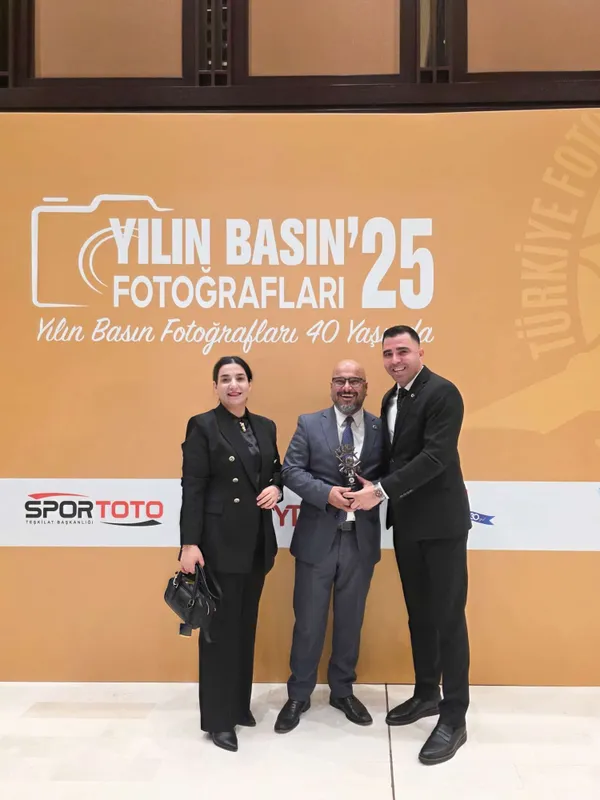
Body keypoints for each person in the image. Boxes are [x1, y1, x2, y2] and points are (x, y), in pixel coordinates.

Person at [349, 325, 471, 765]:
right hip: (407, 524)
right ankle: (426, 694)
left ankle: (454, 717)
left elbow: (436, 457)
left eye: (403, 351)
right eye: (388, 353)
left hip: (442, 525)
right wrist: (366, 481)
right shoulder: (390, 398)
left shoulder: (443, 393)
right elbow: (397, 457)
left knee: (448, 619)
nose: (395, 360)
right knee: (419, 614)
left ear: (421, 352)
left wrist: (380, 491)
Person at [178, 356, 283, 753]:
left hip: (256, 543)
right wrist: (189, 543)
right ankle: (218, 719)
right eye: (225, 379)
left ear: (250, 384)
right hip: (218, 544)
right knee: (219, 634)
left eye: (240, 378)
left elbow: (276, 469)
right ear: (215, 386)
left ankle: (239, 705)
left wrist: (277, 487)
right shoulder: (203, 425)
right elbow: (193, 486)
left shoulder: (265, 426)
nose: (233, 385)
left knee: (244, 627)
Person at [274, 360, 384, 733]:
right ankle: (299, 694)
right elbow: (291, 470)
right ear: (331, 385)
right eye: (340, 380)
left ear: (366, 387)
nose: (347, 387)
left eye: (354, 381)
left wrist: (375, 492)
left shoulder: (379, 428)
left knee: (351, 622)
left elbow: (392, 474)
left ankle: (342, 691)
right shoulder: (309, 424)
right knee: (308, 622)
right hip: (316, 540)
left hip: (360, 540)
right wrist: (327, 494)